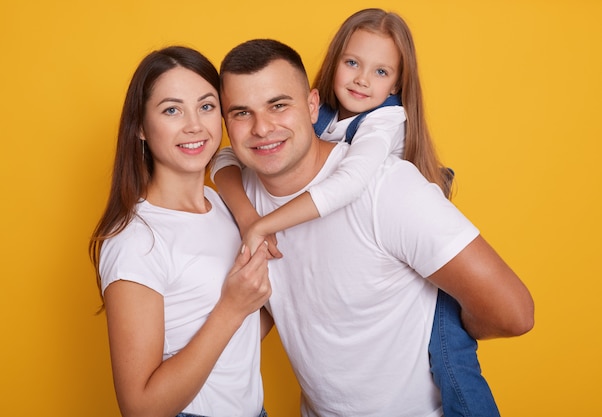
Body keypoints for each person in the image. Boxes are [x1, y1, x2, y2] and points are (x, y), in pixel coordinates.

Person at [218, 37, 534, 417]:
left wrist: (443, 334)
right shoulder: (239, 195)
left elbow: (513, 313)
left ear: (312, 104)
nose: (262, 127)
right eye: (241, 113)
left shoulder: (387, 188)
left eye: (278, 105)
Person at [88, 46, 271, 417]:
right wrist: (232, 308)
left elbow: (240, 336)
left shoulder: (222, 204)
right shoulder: (136, 240)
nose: (194, 125)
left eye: (206, 106)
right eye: (172, 110)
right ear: (139, 126)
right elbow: (140, 408)